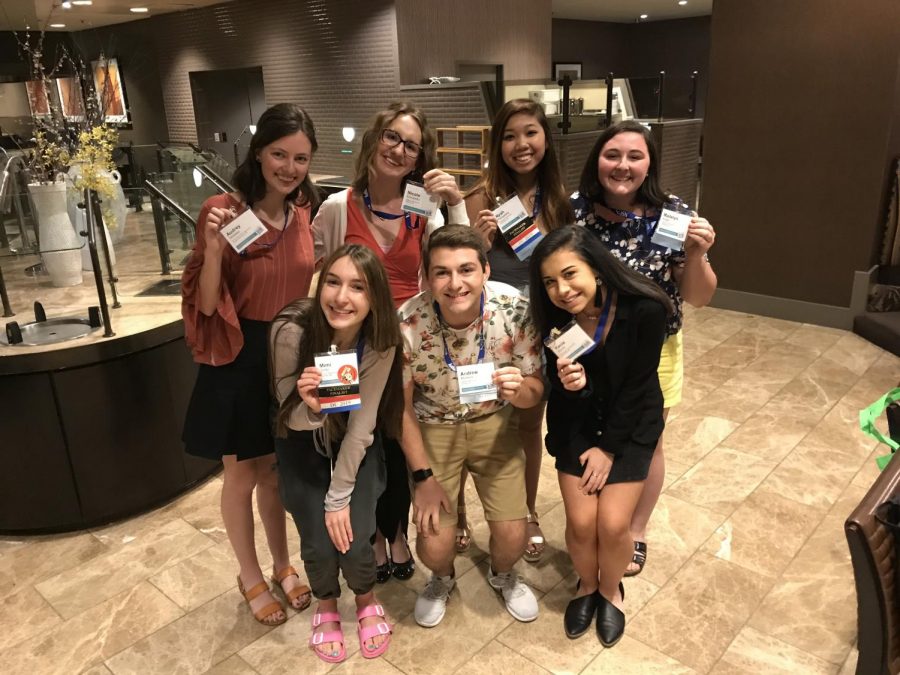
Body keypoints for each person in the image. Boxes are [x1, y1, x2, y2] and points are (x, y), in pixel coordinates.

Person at [312, 102, 467, 584]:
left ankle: (395, 531)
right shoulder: (338, 207)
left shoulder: (425, 209)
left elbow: (455, 252)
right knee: (354, 439)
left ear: (421, 157)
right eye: (392, 138)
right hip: (349, 343)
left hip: (405, 345)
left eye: (412, 145)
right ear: (374, 140)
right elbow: (315, 272)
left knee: (400, 441)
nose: (400, 150)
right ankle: (371, 534)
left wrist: (455, 202)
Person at [181, 103, 320, 626]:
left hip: (288, 349)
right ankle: (250, 574)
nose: (289, 167)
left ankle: (284, 565)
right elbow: (210, 300)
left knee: (275, 472)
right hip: (241, 351)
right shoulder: (225, 209)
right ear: (259, 151)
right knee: (241, 473)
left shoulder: (303, 211)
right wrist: (214, 247)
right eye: (279, 154)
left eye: (300, 158)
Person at [571, 120, 717, 577]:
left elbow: (697, 295)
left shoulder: (670, 213)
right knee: (596, 433)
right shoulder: (577, 210)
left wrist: (697, 255)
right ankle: (601, 519)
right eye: (613, 154)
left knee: (646, 441)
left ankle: (634, 529)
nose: (623, 165)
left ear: (649, 163)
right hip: (591, 345)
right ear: (597, 159)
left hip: (656, 349)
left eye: (635, 156)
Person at [529, 226, 671, 645]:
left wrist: (608, 449)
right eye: (550, 281)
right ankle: (586, 586)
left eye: (570, 274)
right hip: (576, 425)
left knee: (611, 524)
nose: (561, 289)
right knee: (581, 520)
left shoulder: (645, 308)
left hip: (629, 427)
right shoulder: (555, 319)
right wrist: (573, 388)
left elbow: (638, 387)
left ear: (595, 266)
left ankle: (611, 591)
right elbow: (564, 393)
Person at [397, 225, 544, 628]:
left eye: (466, 270)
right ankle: (441, 579)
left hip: (494, 422)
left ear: (485, 271)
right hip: (434, 425)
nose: (455, 283)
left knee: (513, 536)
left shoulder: (514, 310)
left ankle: (503, 575)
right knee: (433, 544)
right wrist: (423, 476)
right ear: (427, 278)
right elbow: (401, 409)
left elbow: (535, 390)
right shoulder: (407, 322)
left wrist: (520, 392)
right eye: (441, 272)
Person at [270, 244, 404, 663]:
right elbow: (285, 416)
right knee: (316, 537)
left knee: (357, 532)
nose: (341, 297)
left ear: (374, 297)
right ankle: (326, 603)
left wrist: (339, 496)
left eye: (357, 287)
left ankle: (365, 599)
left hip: (354, 445)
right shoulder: (291, 330)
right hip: (300, 443)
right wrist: (310, 407)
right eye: (332, 281)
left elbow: (363, 426)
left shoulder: (380, 340)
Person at [459, 98, 574, 561]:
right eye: (509, 136)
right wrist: (480, 242)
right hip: (485, 333)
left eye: (530, 133)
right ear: (497, 144)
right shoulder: (482, 195)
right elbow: (461, 271)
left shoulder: (560, 201)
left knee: (529, 426)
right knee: (473, 422)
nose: (521, 145)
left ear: (545, 138)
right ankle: (460, 516)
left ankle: (527, 513)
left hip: (540, 333)